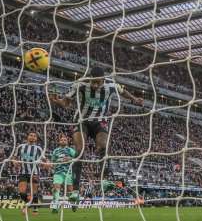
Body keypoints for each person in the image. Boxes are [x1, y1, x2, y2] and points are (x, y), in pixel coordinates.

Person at [49, 67, 143, 202]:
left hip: (100, 121)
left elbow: (123, 92)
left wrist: (134, 99)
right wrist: (58, 101)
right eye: (93, 82)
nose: (94, 85)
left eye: (97, 82)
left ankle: (104, 181)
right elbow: (65, 102)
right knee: (79, 150)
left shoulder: (111, 85)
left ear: (103, 79)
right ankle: (75, 190)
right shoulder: (80, 84)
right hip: (82, 120)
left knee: (103, 145)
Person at [13, 131, 42, 215]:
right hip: (23, 171)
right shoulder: (20, 147)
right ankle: (27, 202)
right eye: (31, 135)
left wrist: (47, 163)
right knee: (22, 191)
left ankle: (36, 207)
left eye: (34, 136)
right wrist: (14, 162)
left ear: (36, 139)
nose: (32, 137)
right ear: (27, 137)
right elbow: (15, 156)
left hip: (35, 172)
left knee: (34, 191)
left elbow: (43, 159)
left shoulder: (38, 149)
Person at [50, 134, 76, 213]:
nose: (63, 141)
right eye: (61, 140)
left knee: (70, 191)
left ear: (67, 142)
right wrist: (51, 165)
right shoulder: (56, 151)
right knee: (56, 188)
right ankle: (55, 208)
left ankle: (73, 204)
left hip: (68, 172)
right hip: (58, 172)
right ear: (59, 141)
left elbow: (77, 158)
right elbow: (53, 160)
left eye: (65, 140)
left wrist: (70, 158)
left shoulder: (70, 150)